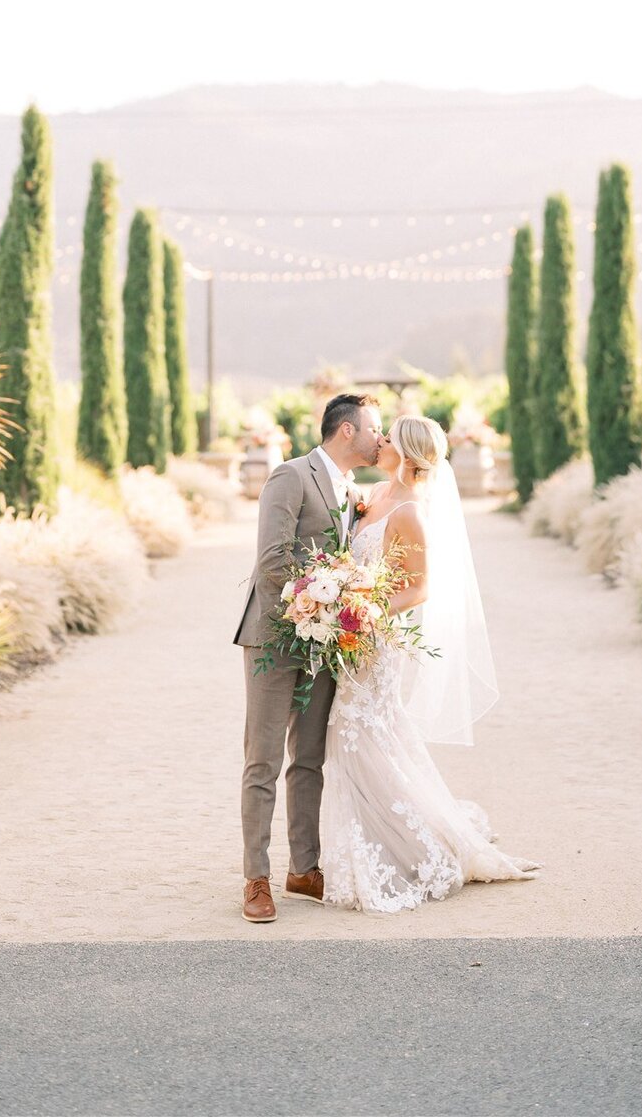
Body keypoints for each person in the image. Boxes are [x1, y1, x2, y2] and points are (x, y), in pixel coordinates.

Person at [319, 412, 538, 913]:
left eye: (387, 437)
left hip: (375, 639)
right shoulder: (373, 496)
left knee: (357, 733)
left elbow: (418, 587)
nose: (379, 441)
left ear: (406, 452)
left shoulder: (410, 512)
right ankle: (387, 834)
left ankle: (414, 846)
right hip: (350, 633)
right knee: (362, 735)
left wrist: (367, 609)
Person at [233, 391, 383, 923]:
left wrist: (340, 613)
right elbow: (272, 559)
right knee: (264, 760)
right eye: (374, 429)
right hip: (274, 636)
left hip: (324, 641)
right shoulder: (290, 476)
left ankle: (305, 867)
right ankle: (256, 878)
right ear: (347, 431)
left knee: (310, 759)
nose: (379, 439)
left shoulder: (352, 488)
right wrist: (328, 599)